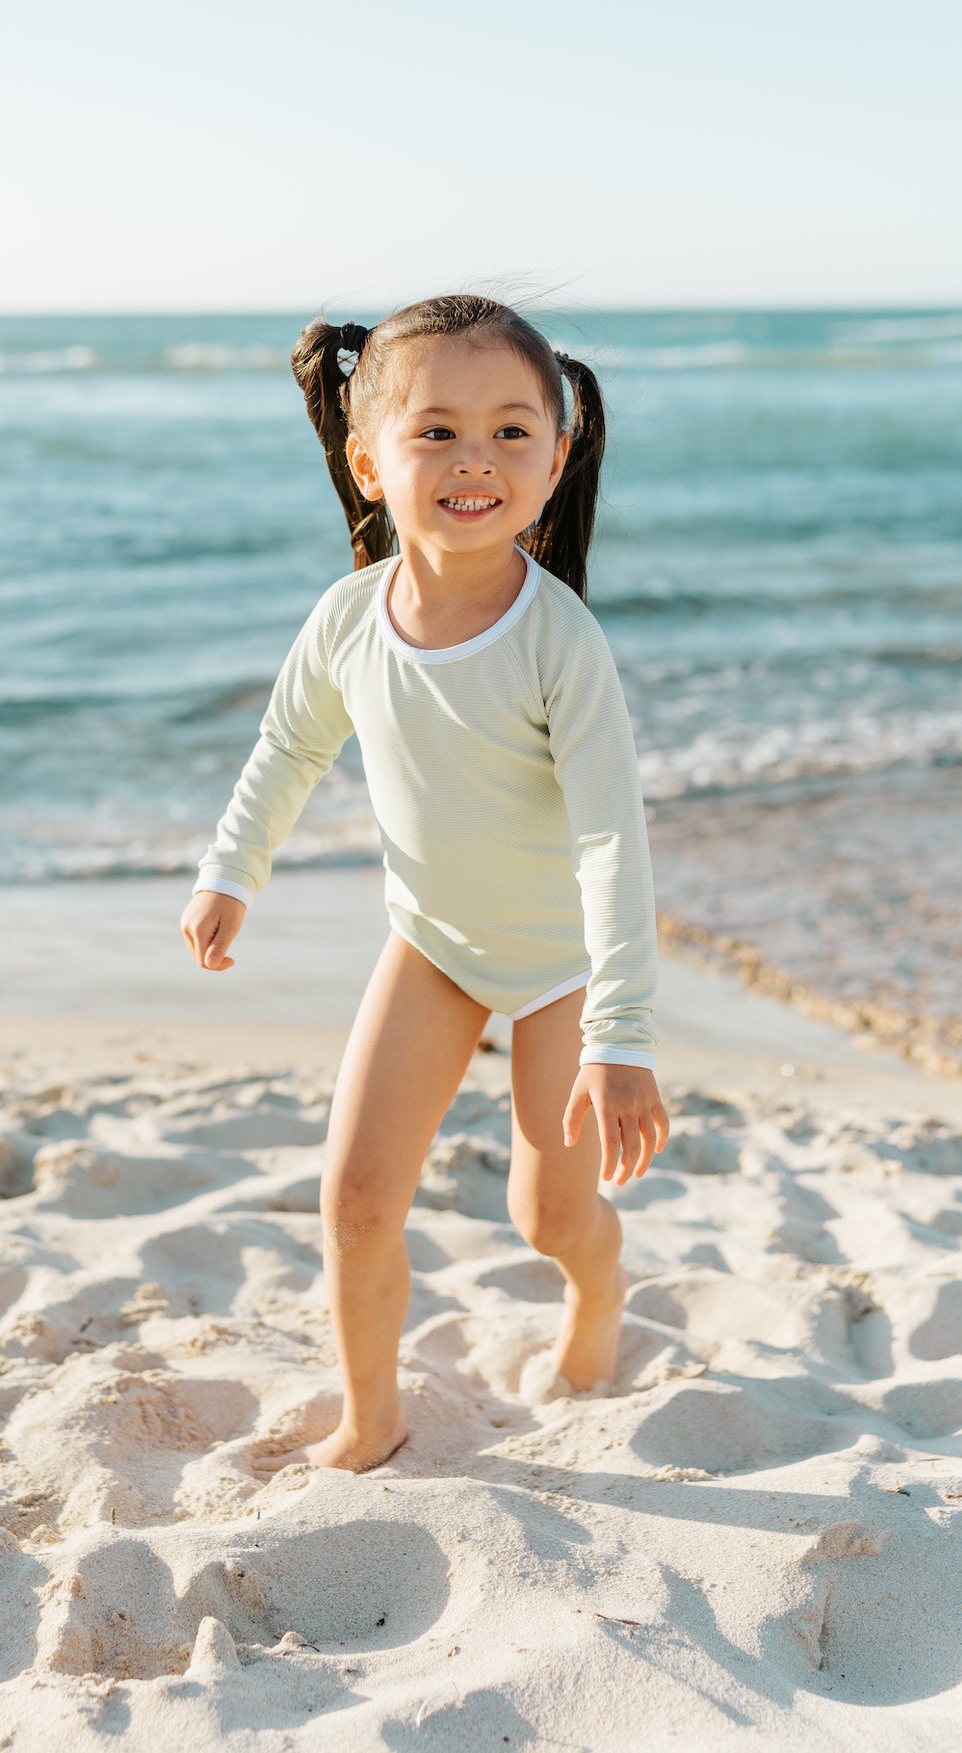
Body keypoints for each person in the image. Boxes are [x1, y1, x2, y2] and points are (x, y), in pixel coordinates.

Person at [180, 293, 668, 1471]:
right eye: (436, 430)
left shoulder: (559, 642)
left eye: (511, 430)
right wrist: (228, 871)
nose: (474, 459)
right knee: (351, 1201)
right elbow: (290, 746)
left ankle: (599, 1298)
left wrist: (621, 1035)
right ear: (366, 459)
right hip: (434, 948)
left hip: (562, 968)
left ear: (558, 455)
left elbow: (611, 838)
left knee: (546, 1215)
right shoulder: (349, 617)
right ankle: (371, 1415)